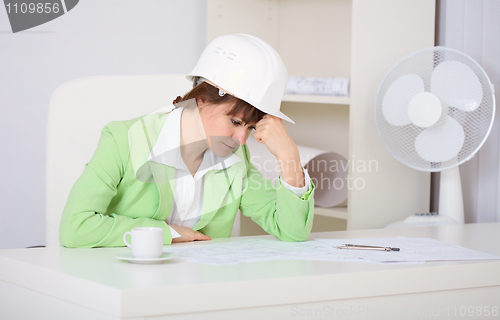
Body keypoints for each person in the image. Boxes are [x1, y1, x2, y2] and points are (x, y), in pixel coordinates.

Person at [59, 34, 315, 247]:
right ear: (201, 99)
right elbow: (76, 227)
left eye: (250, 128)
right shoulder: (122, 140)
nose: (242, 140)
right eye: (235, 122)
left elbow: (291, 231)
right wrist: (168, 233)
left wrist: (289, 159)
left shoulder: (235, 158)